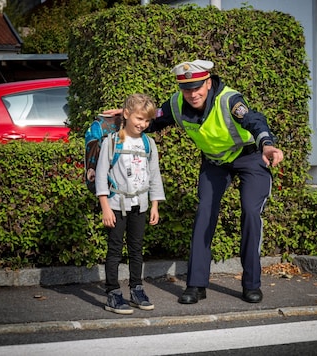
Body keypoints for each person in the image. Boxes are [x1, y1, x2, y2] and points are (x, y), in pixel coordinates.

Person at [105, 59, 284, 304]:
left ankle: (251, 284)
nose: (192, 94)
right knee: (204, 213)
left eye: (197, 87)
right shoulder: (177, 104)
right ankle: (196, 285)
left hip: (250, 156)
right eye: (186, 89)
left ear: (208, 83)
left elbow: (254, 120)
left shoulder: (229, 100)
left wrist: (268, 145)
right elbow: (153, 120)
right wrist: (125, 119)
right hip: (215, 162)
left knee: (251, 212)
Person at [96, 93, 166, 314]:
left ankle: (136, 288)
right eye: (139, 119)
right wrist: (105, 206)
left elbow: (154, 175)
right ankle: (113, 293)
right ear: (126, 114)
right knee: (115, 250)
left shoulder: (148, 143)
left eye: (147, 121)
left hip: (140, 205)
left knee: (136, 249)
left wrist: (154, 204)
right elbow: (100, 175)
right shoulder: (112, 141)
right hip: (116, 205)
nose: (143, 124)